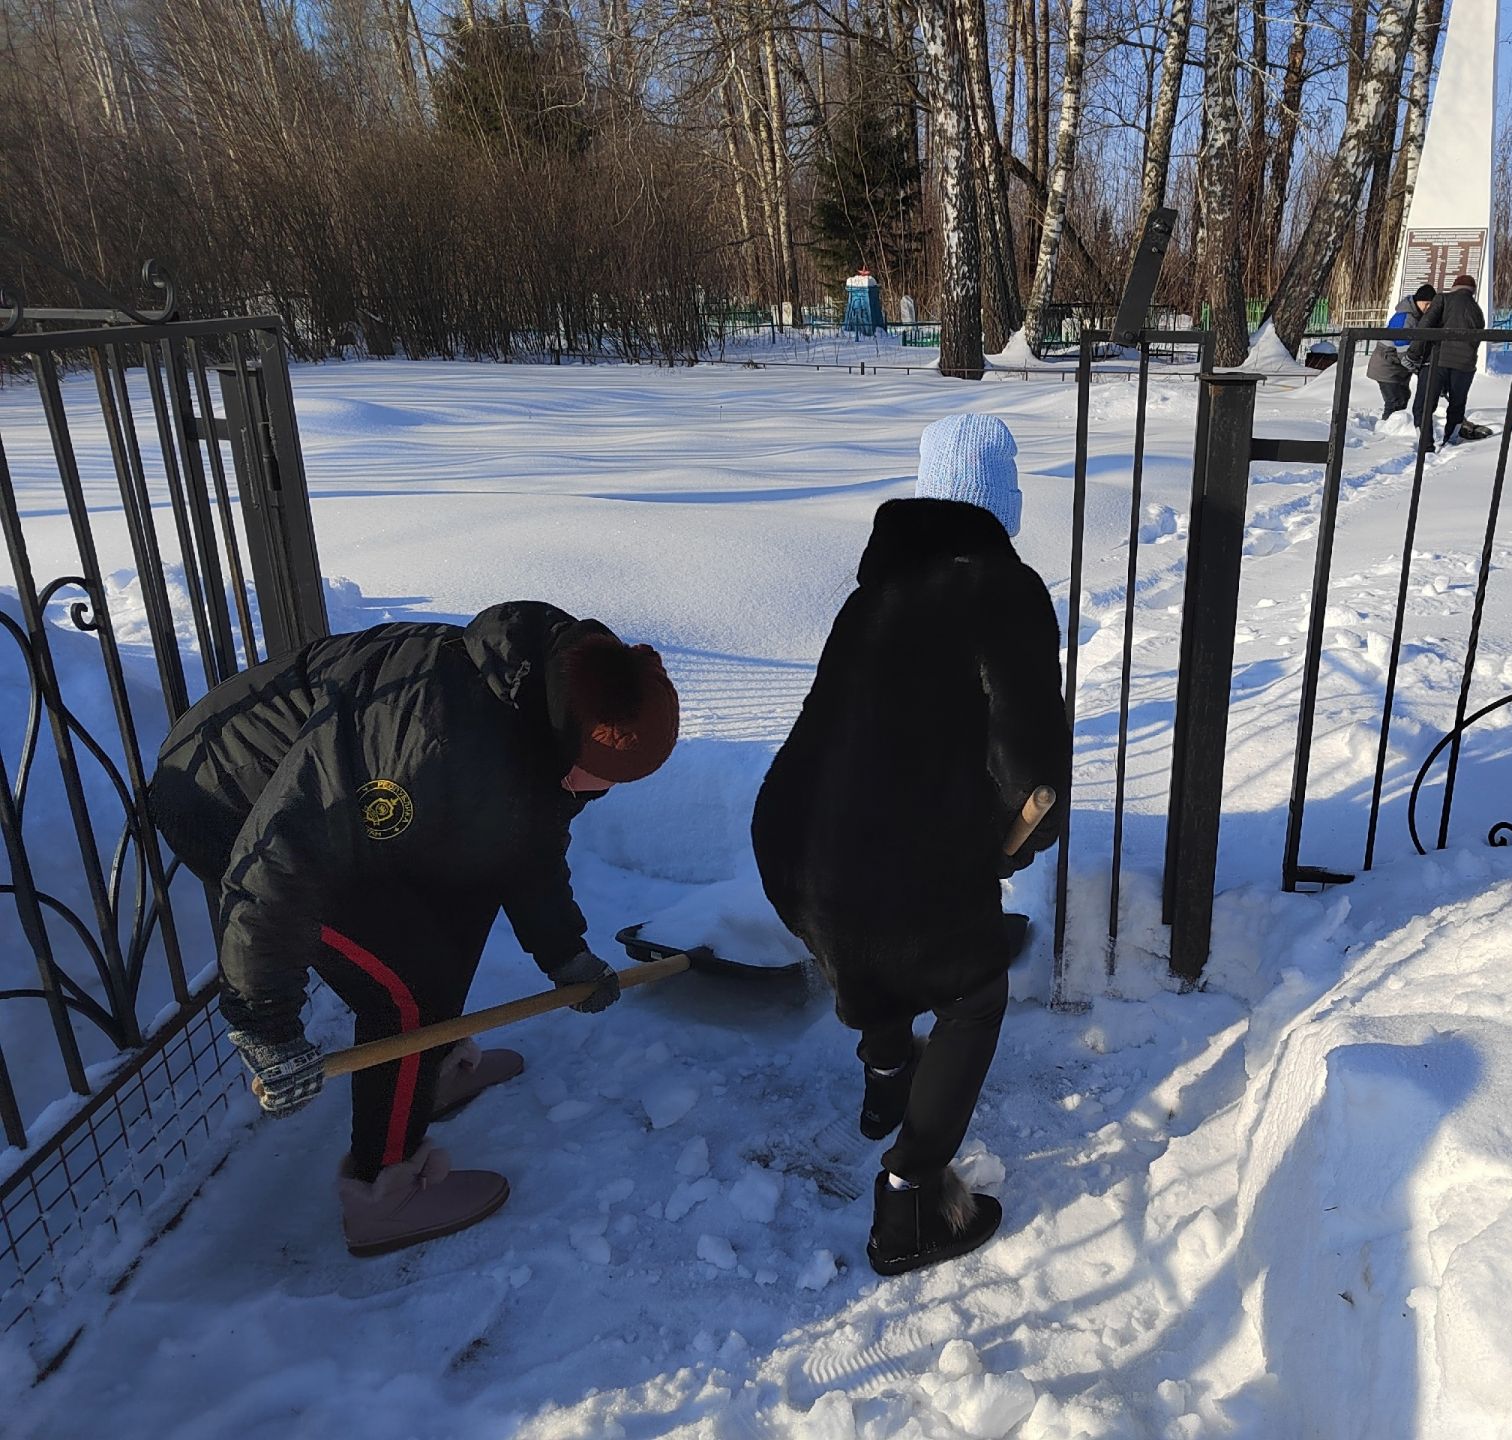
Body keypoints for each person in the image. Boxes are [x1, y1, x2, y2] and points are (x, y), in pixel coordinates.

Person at [148, 601, 678, 1256]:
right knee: (405, 988)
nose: (593, 790)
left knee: (462, 893)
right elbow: (279, 860)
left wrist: (566, 956)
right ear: (571, 737)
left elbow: (524, 845)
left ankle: (421, 1074)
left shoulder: (546, 707)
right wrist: (264, 1023)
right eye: (598, 777)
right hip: (228, 799)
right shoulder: (428, 739)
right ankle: (383, 1193)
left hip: (329, 805)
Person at [751, 413, 1068, 1276]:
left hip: (791, 844)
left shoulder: (872, 592)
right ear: (1003, 504)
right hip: (883, 864)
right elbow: (1032, 769)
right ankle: (913, 1199)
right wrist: (1013, 848)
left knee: (868, 945)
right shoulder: (1002, 590)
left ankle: (887, 1074)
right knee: (974, 989)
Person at [1411, 272, 1488, 452]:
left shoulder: (1442, 299)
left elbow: (1425, 326)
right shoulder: (1477, 310)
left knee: (1423, 406)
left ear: (1453, 287)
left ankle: (1425, 446)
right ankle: (1451, 443)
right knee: (1456, 406)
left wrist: (1414, 353)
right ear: (1472, 291)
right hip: (1464, 366)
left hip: (1436, 361)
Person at [1366, 283, 1437, 420]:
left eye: (1431, 305)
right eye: (1426, 304)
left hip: (1397, 369)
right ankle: (1386, 431)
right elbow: (1404, 352)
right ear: (1417, 301)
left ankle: (1393, 429)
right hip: (1387, 368)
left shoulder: (1417, 317)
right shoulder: (1405, 319)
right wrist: (1419, 370)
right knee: (1394, 402)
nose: (1428, 308)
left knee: (1402, 399)